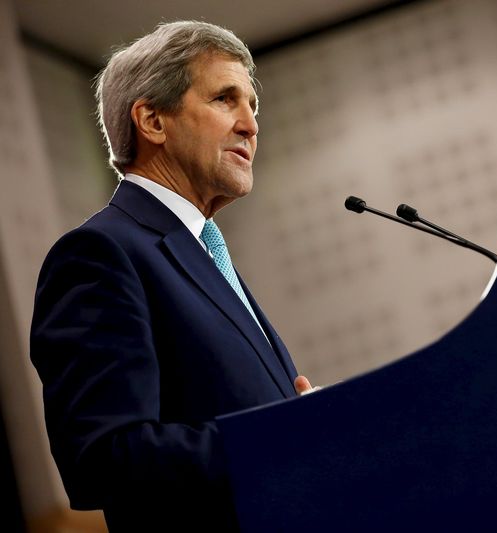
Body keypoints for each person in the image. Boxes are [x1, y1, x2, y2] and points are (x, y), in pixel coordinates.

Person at [30, 21, 313, 532]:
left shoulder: (201, 250)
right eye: (226, 99)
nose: (250, 125)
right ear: (153, 121)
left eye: (253, 105)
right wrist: (281, 435)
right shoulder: (100, 254)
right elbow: (103, 456)